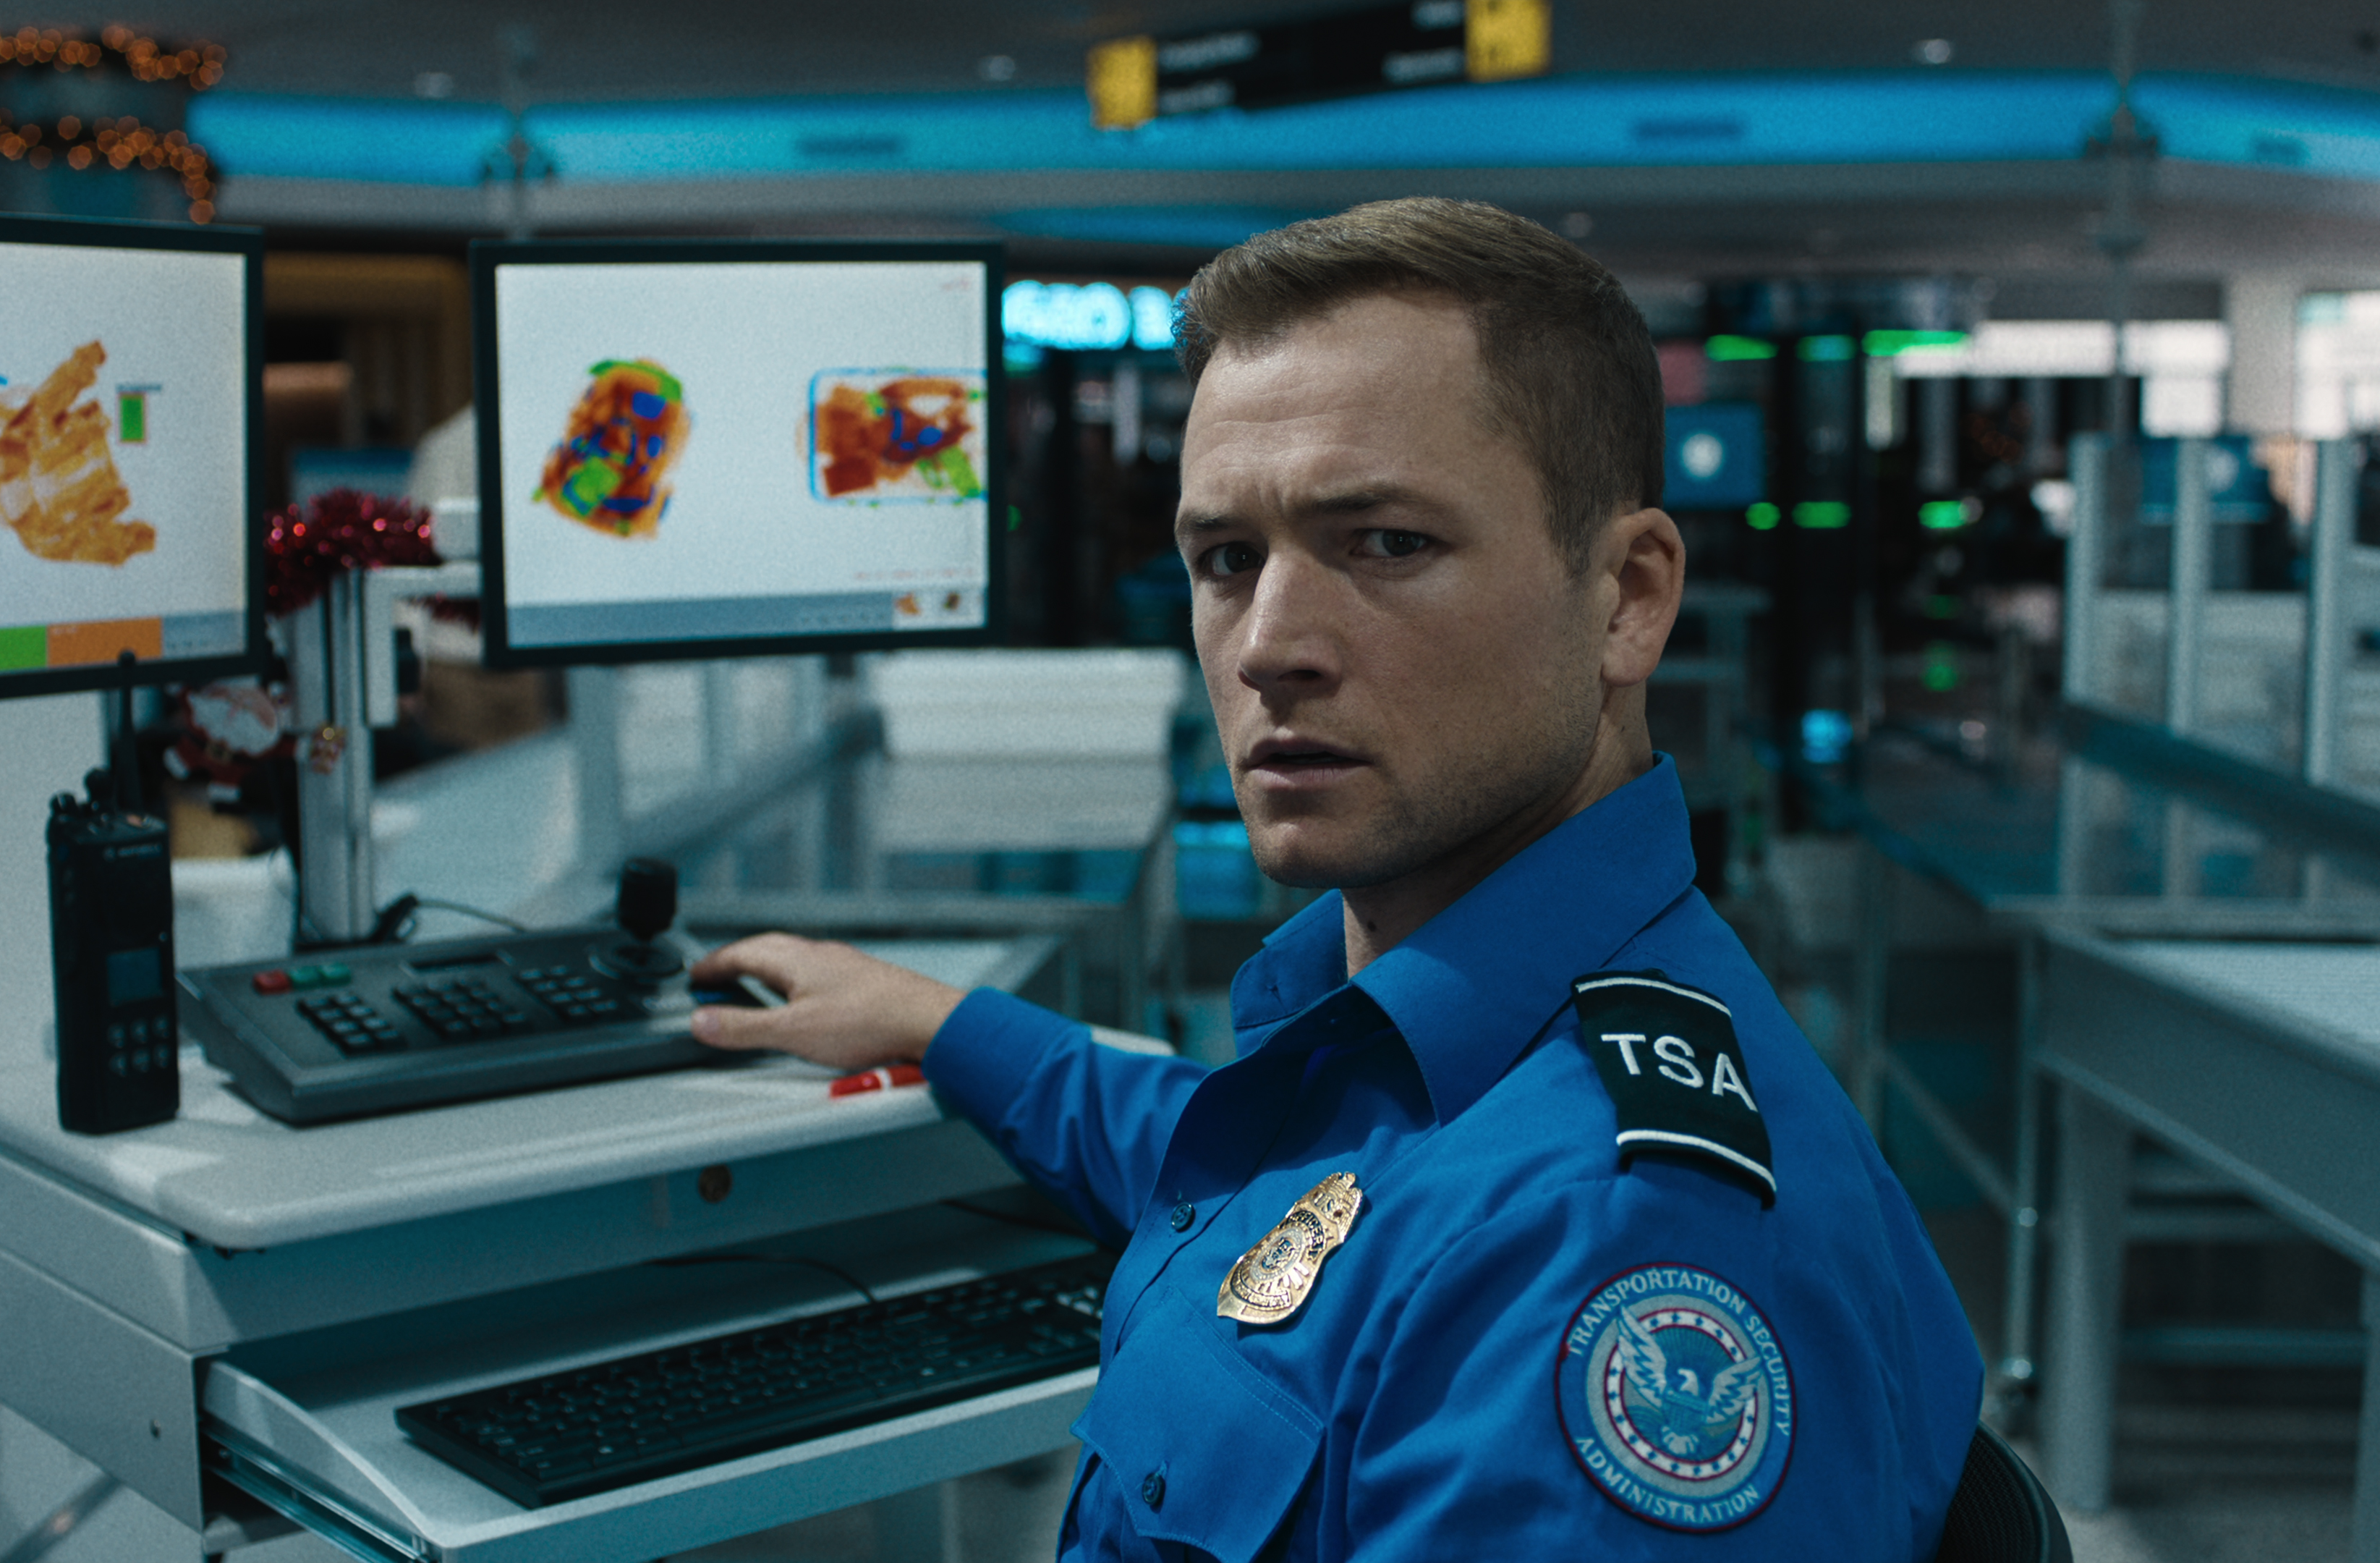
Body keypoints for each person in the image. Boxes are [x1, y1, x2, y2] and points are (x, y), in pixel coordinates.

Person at [689, 198, 1985, 1559]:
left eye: (1385, 544)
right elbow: (1303, 1201)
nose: (1267, 647)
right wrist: (943, 1026)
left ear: (1628, 599)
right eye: (1226, 560)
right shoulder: (1454, 1040)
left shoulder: (1601, 1244)